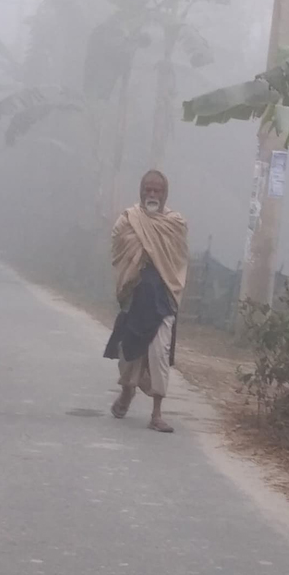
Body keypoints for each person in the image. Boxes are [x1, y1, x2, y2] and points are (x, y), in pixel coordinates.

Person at [104, 170, 188, 433]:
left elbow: (177, 260)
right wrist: (141, 253)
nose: (152, 195)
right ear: (141, 191)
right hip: (135, 296)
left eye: (157, 191)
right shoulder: (128, 220)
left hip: (163, 299)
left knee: (159, 353)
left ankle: (157, 413)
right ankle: (127, 393)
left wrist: (150, 250)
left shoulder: (175, 223)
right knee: (129, 353)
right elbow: (119, 251)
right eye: (148, 190)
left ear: (165, 194)